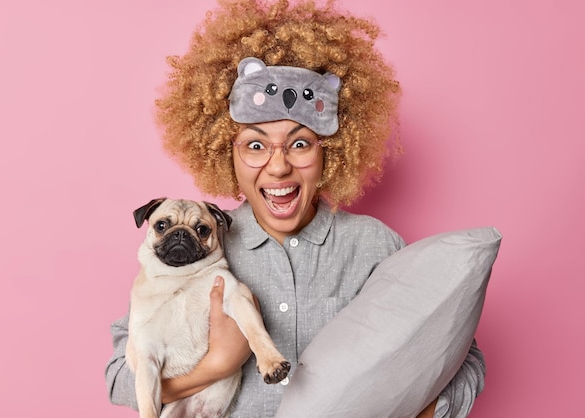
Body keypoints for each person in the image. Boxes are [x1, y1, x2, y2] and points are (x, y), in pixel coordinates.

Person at [105, 0, 486, 416]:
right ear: (222, 153)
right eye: (255, 145)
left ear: (332, 152)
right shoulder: (203, 247)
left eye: (300, 143)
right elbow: (119, 376)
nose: (279, 164)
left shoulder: (374, 244)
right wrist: (217, 365)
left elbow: (458, 356)